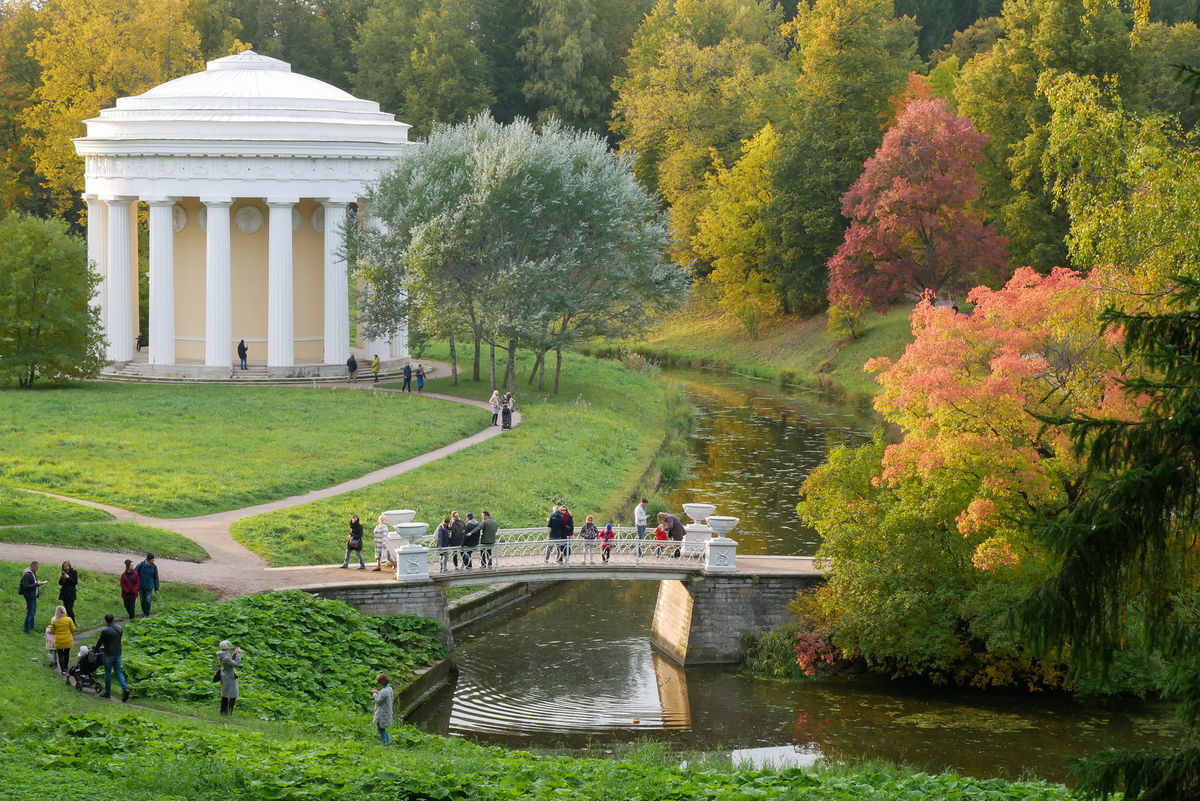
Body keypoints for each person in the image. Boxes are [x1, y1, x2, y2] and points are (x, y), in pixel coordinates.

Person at [95, 613, 129, 701]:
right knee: (118, 672)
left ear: (106, 620)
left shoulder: (105, 631)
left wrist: (95, 649)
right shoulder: (120, 628)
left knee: (108, 673)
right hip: (118, 653)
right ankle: (125, 689)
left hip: (108, 654)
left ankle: (107, 692)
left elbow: (100, 642)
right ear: (113, 619)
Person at [217, 640, 242, 715]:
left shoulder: (223, 655)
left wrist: (234, 653)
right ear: (227, 648)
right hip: (229, 677)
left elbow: (230, 660)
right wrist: (238, 654)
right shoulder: (226, 657)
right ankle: (228, 712)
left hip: (225, 676)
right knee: (233, 695)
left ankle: (223, 712)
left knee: (225, 695)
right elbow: (236, 664)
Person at [19, 561, 45, 634]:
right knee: (30, 612)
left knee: (33, 611)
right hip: (29, 596)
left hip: (33, 595)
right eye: (37, 567)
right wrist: (36, 584)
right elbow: (26, 586)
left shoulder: (33, 573)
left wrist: (38, 583)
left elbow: (33, 583)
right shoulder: (27, 574)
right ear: (33, 566)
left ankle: (32, 626)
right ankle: (26, 629)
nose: (37, 569)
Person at [49, 605, 75, 675]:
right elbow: (73, 629)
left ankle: (63, 670)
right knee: (67, 654)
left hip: (59, 640)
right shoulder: (69, 619)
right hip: (67, 640)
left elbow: (52, 631)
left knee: (60, 655)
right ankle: (66, 667)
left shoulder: (54, 621)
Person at [371, 673, 394, 745]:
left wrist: (374, 694)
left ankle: (385, 744)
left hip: (382, 713)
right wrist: (378, 692)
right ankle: (388, 742)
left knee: (381, 729)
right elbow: (383, 696)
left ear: (380, 682)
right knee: (383, 729)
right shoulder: (389, 689)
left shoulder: (384, 691)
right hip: (387, 711)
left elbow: (378, 700)